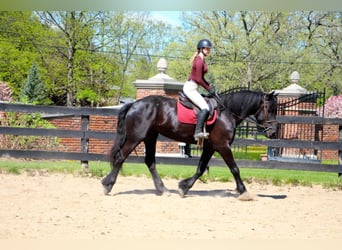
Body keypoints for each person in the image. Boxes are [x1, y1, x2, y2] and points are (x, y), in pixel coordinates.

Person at [183, 39, 216, 141]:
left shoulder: (201, 60)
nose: (208, 50)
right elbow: (198, 79)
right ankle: (197, 132)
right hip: (190, 88)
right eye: (207, 49)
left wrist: (209, 86)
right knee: (205, 108)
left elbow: (201, 78)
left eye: (209, 49)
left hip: (194, 87)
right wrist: (208, 88)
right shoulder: (198, 61)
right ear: (201, 49)